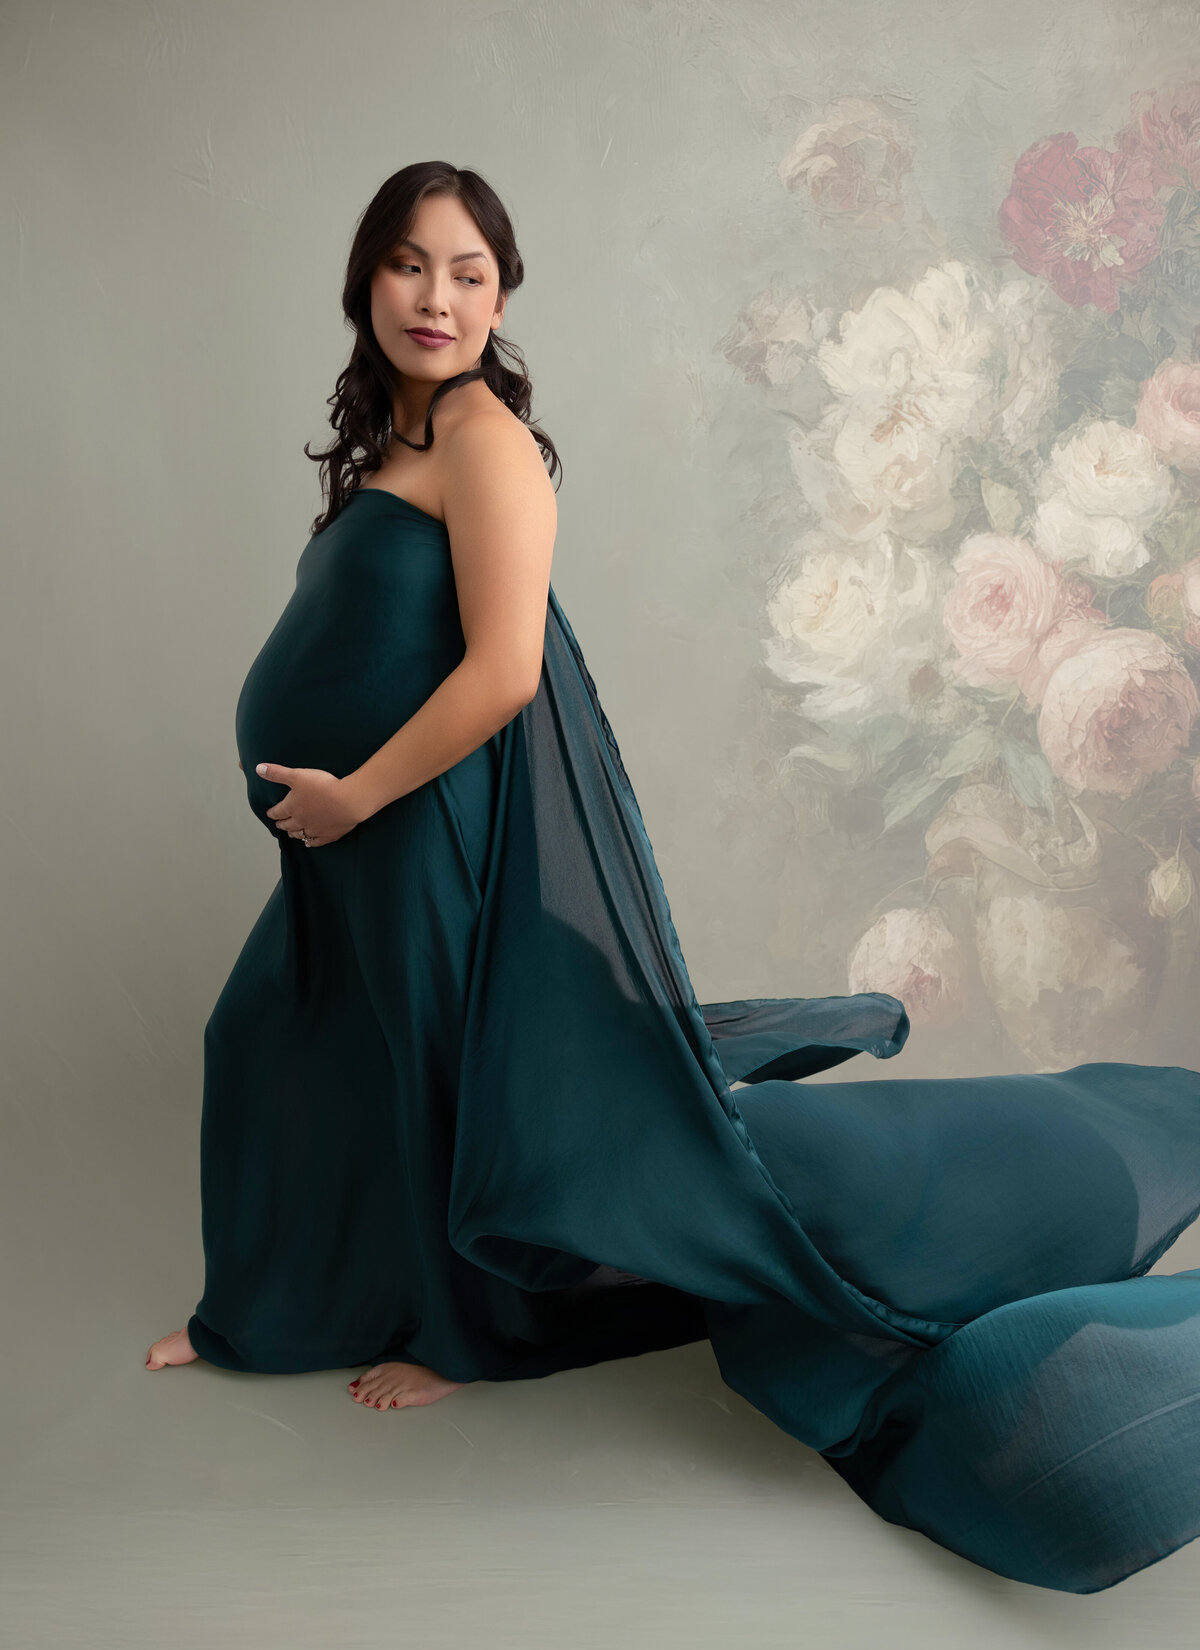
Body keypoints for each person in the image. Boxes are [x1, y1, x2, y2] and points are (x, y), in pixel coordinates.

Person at [144, 162, 1200, 1595]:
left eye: (466, 271)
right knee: (289, 1049)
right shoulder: (383, 452)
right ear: (364, 283)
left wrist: (356, 792)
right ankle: (260, 1311)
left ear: (502, 294)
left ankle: (479, 1333)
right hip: (353, 857)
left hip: (416, 836)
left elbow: (506, 671)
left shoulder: (482, 436)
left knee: (517, 1107)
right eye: (407, 264)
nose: (436, 296)